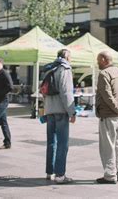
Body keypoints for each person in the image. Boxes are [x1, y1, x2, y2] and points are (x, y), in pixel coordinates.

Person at [95, 51, 118, 184]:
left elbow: (107, 95)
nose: (97, 63)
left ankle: (110, 175)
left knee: (107, 146)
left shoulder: (104, 74)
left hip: (108, 114)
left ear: (104, 60)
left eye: (98, 60)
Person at [44, 49, 76, 184]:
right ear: (67, 56)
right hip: (61, 111)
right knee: (63, 143)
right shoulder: (64, 69)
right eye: (71, 56)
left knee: (52, 142)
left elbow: (43, 91)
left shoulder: (50, 68)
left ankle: (49, 171)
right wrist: (72, 112)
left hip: (49, 109)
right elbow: (66, 92)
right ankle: (60, 175)